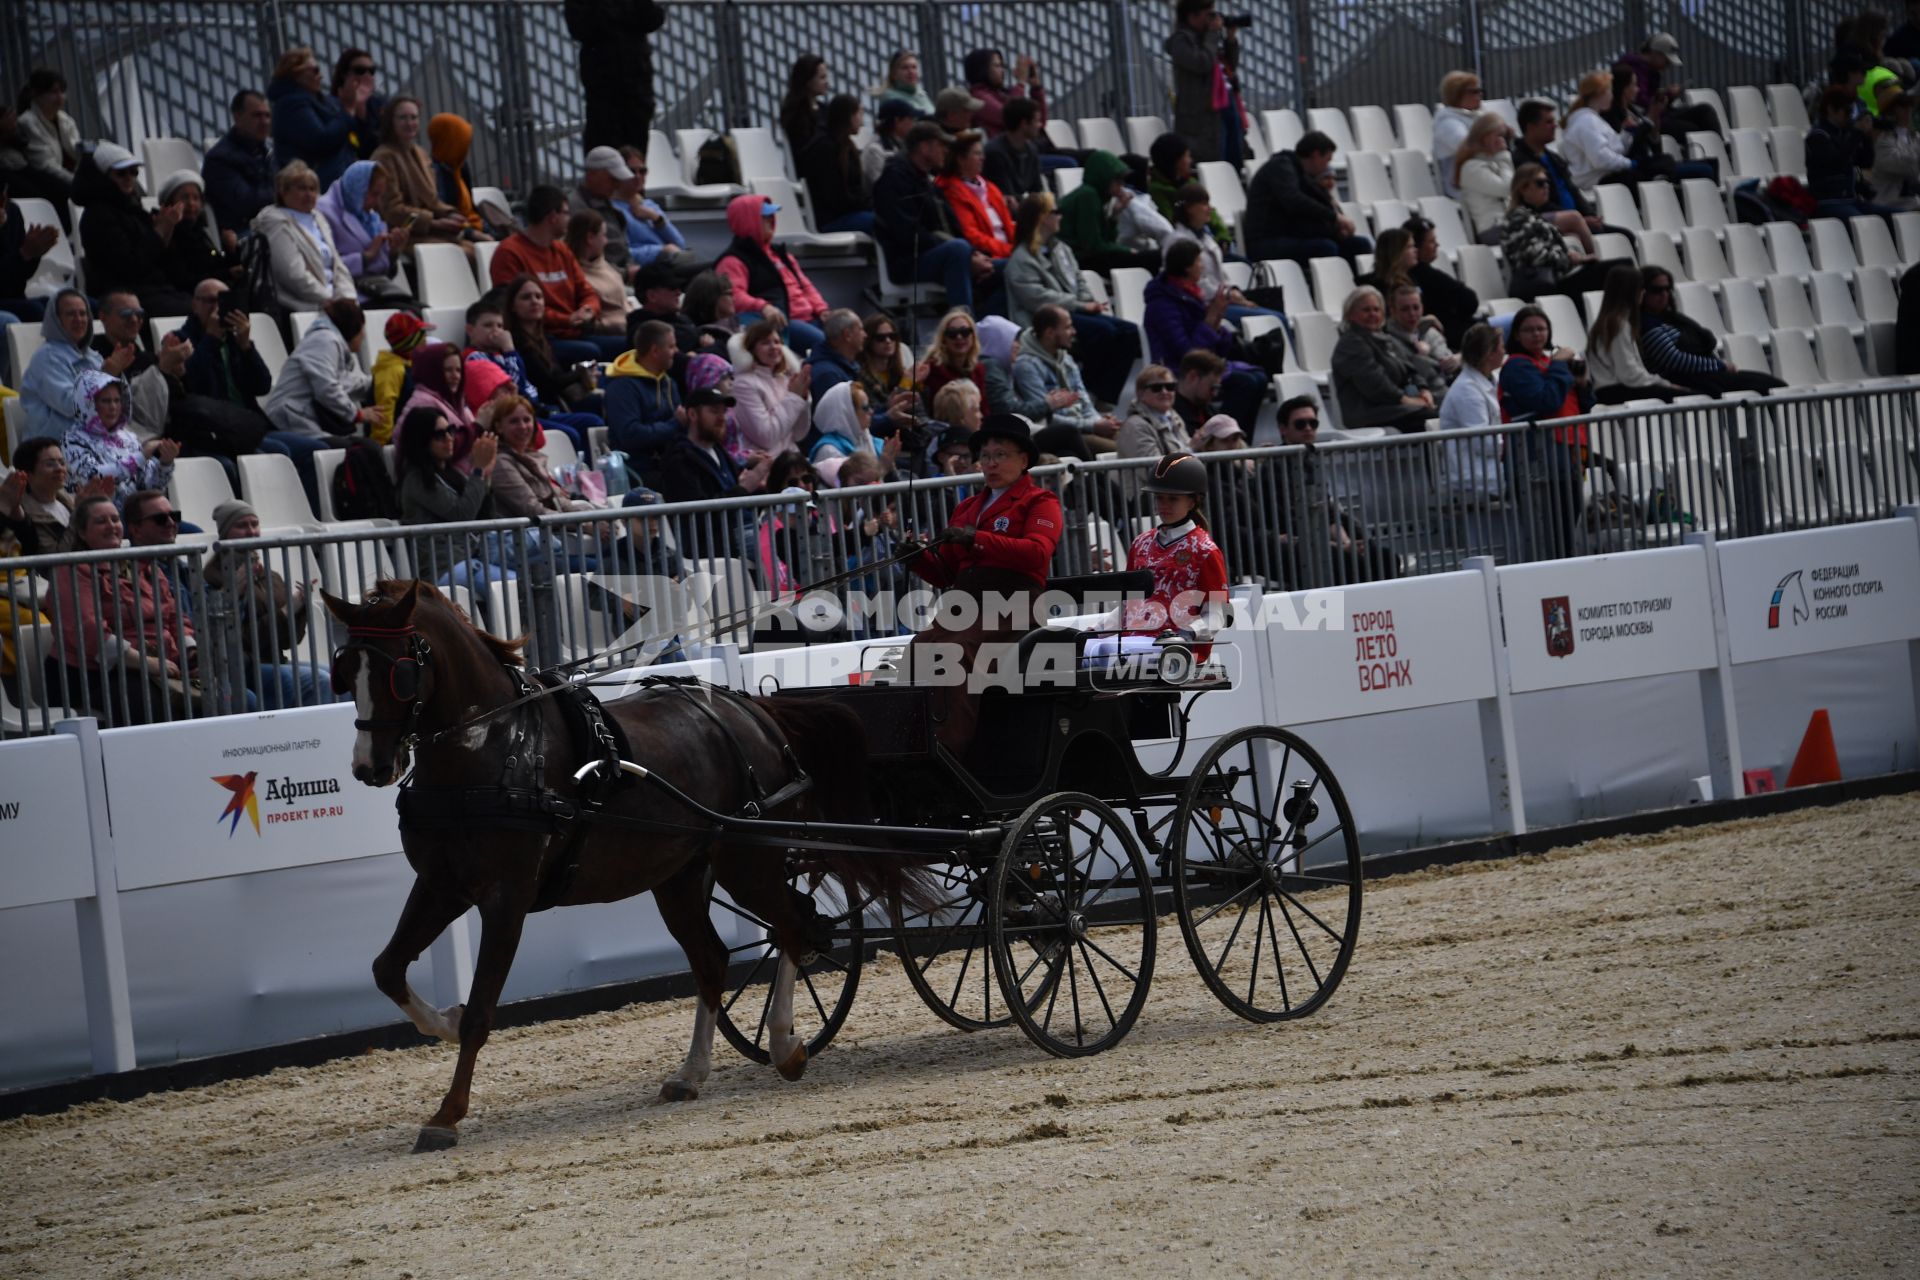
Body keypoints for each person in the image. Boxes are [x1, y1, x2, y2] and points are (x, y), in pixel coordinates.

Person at [901, 413, 1063, 753]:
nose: (991, 463)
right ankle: (911, 740)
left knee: (955, 652)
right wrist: (917, 558)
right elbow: (946, 573)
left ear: (1024, 460)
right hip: (965, 605)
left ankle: (950, 748)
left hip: (1012, 606)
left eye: (1000, 454)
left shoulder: (1040, 502)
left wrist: (978, 539)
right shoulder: (967, 507)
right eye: (986, 456)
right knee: (919, 648)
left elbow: (1037, 554)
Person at [48, 494, 198, 726]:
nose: (111, 526)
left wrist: (191, 653)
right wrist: (146, 662)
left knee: (224, 693)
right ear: (82, 532)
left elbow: (174, 616)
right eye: (101, 521)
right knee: (156, 708)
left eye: (115, 519)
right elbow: (89, 631)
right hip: (96, 675)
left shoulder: (144, 565)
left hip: (157, 665)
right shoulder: (72, 570)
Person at [1004, 192, 1139, 406]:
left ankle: (1104, 396)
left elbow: (1079, 279)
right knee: (1104, 333)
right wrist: (1081, 305)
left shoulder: (1061, 249)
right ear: (1041, 218)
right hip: (1045, 319)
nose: (1061, 216)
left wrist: (1088, 302)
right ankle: (1084, 392)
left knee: (1131, 332)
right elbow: (1038, 300)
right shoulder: (1020, 260)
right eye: (1055, 212)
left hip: (1074, 311)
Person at [1142, 239, 1266, 435]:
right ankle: (1218, 437)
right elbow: (1187, 354)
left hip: (1203, 364)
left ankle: (1240, 443)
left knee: (1259, 378)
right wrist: (1210, 320)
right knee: (1245, 383)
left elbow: (1216, 347)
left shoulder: (1189, 295)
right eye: (1199, 262)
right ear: (1187, 267)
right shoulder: (1162, 304)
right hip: (1178, 369)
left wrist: (1217, 319)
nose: (1202, 266)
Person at [263, 298, 377, 509]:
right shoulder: (324, 341)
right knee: (356, 451)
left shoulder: (329, 342)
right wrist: (357, 415)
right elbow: (327, 388)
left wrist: (377, 381)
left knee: (365, 448)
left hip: (305, 419)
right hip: (290, 418)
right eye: (362, 330)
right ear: (353, 327)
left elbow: (343, 381)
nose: (363, 337)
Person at [491, 185, 624, 362]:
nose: (569, 219)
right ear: (553, 216)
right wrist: (567, 319)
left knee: (634, 344)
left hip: (574, 332)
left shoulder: (562, 250)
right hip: (539, 339)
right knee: (590, 352)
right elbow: (514, 307)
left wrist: (588, 311)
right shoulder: (509, 252)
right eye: (566, 213)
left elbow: (586, 291)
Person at [1499, 304, 1590, 555]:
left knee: (1567, 525)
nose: (1537, 334)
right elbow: (1546, 401)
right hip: (1538, 462)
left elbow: (1584, 405)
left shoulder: (1548, 362)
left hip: (1565, 455)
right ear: (1517, 336)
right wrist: (1560, 367)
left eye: (1541, 328)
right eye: (1528, 330)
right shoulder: (1517, 366)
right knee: (1550, 535)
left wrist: (1582, 385)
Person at [872, 122, 990, 310]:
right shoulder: (894, 179)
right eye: (941, 145)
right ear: (925, 147)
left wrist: (974, 254)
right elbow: (910, 236)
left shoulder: (925, 180)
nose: (946, 151)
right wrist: (966, 254)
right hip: (908, 262)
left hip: (934, 253)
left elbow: (953, 226)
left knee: (1004, 268)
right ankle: (965, 327)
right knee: (957, 250)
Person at [1120, 453, 1227, 654]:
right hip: (1133, 646)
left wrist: (1188, 633)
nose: (1164, 505)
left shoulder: (1205, 550)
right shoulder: (1140, 543)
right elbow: (1129, 606)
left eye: (1173, 499)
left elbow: (1217, 614)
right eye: (1159, 498)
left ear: (1193, 501)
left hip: (1177, 652)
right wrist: (1096, 630)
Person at [73, 144, 194, 319]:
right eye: (121, 173)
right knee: (193, 311)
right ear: (104, 176)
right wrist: (160, 231)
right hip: (126, 294)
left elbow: (164, 262)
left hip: (155, 290)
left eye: (134, 172)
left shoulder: (133, 208)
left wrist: (168, 230)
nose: (129, 178)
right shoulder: (97, 216)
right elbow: (129, 267)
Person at [1638, 266, 1786, 395]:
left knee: (1774, 385)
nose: (1664, 294)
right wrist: (1719, 366)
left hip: (1705, 374)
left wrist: (1717, 365)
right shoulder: (1647, 325)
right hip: (1688, 378)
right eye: (1656, 290)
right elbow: (1675, 360)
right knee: (1766, 386)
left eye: (1667, 289)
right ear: (1643, 293)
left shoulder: (1673, 319)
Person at [714, 193, 828, 358]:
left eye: (771, 216)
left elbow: (805, 285)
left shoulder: (780, 254)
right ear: (748, 220)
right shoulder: (733, 261)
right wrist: (764, 307)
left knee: (849, 330)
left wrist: (822, 309)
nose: (771, 220)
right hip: (786, 324)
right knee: (830, 346)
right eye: (764, 217)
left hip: (812, 318)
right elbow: (734, 296)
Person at [173, 279, 275, 463]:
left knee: (309, 448)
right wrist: (211, 339)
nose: (217, 307)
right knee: (276, 454)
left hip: (246, 426)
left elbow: (263, 386)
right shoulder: (180, 341)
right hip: (213, 430)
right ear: (195, 304)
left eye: (224, 301)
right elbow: (192, 385)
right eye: (211, 301)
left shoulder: (235, 341)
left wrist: (246, 348)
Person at [1501, 164, 1627, 300]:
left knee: (1622, 269)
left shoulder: (1530, 215)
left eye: (1547, 182)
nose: (1546, 187)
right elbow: (1537, 257)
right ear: (1523, 189)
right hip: (1547, 284)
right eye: (1540, 183)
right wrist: (1572, 258)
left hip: (1558, 277)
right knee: (1621, 270)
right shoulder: (1518, 219)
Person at [1243, 132, 1371, 265]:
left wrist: (1336, 230)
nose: (1327, 166)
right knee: (1325, 248)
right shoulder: (1280, 167)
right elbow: (1295, 201)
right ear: (1315, 155)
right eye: (1327, 160)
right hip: (1266, 241)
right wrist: (1335, 217)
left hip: (1292, 235)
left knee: (1359, 245)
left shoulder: (1301, 173)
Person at [369, 96, 476, 253]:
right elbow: (392, 212)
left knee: (478, 253)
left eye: (414, 117)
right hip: (403, 235)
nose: (409, 123)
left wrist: (451, 214)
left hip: (430, 231)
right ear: (391, 122)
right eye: (403, 118)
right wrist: (433, 222)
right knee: (466, 255)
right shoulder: (384, 158)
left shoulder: (421, 153)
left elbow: (432, 200)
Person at [1015, 303, 1120, 458]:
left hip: (1083, 425)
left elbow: (1084, 401)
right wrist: (1093, 425)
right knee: (1121, 450)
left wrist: (1102, 422)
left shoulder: (1067, 359)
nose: (1073, 332)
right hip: (1066, 433)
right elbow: (1044, 416)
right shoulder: (1026, 366)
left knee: (1132, 439)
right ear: (1050, 332)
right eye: (1068, 327)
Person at [62, 369, 177, 508]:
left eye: (117, 400)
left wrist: (165, 463)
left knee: (186, 526)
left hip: (138, 515)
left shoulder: (129, 437)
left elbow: (150, 486)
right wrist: (141, 456)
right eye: (106, 401)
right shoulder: (72, 440)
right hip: (101, 517)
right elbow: (93, 477)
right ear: (88, 403)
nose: (113, 407)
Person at [1512, 99, 1622, 240]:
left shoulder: (1554, 158)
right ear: (1531, 127)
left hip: (1579, 220)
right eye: (1548, 122)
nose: (1555, 126)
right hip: (1557, 225)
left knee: (1625, 236)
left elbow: (1572, 190)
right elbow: (1539, 203)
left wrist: (1590, 215)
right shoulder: (1521, 161)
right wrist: (1580, 220)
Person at [252, 160, 355, 308]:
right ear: (284, 191)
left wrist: (347, 296)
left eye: (313, 189)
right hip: (301, 304)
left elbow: (338, 266)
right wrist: (330, 300)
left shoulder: (319, 219)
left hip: (333, 301)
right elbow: (293, 274)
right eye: (302, 188)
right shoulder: (275, 221)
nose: (308, 194)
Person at [1331, 285, 1434, 433]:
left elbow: (1409, 371)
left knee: (1441, 413)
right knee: (1432, 419)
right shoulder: (1351, 344)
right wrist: (1409, 401)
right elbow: (1376, 386)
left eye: (1376, 309)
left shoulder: (1384, 339)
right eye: (1366, 310)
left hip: (1395, 406)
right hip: (1370, 413)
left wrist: (1423, 390)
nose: (1372, 314)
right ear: (1350, 314)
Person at [566, 0, 665, 152]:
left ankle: (634, 173)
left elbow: (652, 19)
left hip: (635, 79)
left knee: (636, 141)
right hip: (604, 81)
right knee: (605, 142)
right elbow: (580, 27)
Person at [502, 271, 602, 420]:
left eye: (538, 296)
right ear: (513, 306)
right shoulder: (516, 341)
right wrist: (581, 373)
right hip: (540, 409)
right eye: (526, 297)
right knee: (591, 419)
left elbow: (557, 375)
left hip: (557, 401)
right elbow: (548, 384)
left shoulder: (540, 338)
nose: (534, 301)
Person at [1585, 265, 1687, 403]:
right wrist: (1664, 383)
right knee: (1687, 396)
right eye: (1640, 288)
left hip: (1616, 389)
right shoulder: (1617, 324)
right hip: (1614, 391)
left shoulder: (1616, 321)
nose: (1643, 292)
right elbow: (1628, 374)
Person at [1435, 323, 1508, 513]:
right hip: (1475, 478)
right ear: (1488, 354)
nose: (1504, 351)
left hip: (1492, 471)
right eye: (1501, 347)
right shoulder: (1467, 390)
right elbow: (1484, 443)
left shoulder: (1491, 379)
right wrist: (1517, 442)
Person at [315, 159, 411, 302]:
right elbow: (323, 266)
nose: (377, 202)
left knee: (421, 315)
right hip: (347, 296)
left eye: (380, 195)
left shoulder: (371, 217)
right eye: (373, 194)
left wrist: (392, 252)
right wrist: (365, 257)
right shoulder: (323, 213)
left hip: (378, 291)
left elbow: (385, 271)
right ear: (358, 188)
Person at [487, 396, 596, 519]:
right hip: (524, 534)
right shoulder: (501, 464)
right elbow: (533, 511)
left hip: (550, 529)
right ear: (499, 427)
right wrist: (584, 525)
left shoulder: (532, 456)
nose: (522, 426)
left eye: (527, 420)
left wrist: (590, 518)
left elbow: (556, 500)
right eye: (514, 421)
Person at [1056, 149, 1161, 274]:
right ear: (1104, 178)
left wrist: (1115, 215)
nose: (1121, 185)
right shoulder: (1088, 196)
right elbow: (1093, 246)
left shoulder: (1098, 196)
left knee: (1151, 258)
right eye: (1117, 180)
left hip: (1088, 257)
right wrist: (1127, 251)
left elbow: (1107, 241)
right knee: (1154, 258)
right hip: (1078, 259)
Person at [19, 289, 104, 441]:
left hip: (92, 443)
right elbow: (71, 406)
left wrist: (116, 376)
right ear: (56, 320)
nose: (79, 319)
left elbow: (120, 407)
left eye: (83, 313)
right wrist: (106, 379)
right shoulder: (47, 357)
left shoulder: (94, 357)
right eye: (71, 314)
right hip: (53, 450)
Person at [267, 47, 356, 189]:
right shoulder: (292, 104)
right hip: (315, 185)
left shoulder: (318, 100)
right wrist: (347, 111)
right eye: (315, 70)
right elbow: (320, 140)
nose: (320, 76)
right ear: (296, 74)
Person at [397, 404, 497, 527]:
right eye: (439, 435)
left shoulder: (453, 474)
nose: (449, 438)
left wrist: (485, 476)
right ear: (422, 441)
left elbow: (485, 516)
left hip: (466, 545)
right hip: (439, 546)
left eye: (450, 430)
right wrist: (478, 471)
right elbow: (462, 515)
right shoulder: (416, 480)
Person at [603, 318, 680, 477]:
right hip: (638, 471)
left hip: (671, 463)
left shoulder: (668, 382)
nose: (676, 351)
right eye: (671, 346)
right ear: (655, 351)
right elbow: (631, 435)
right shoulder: (622, 387)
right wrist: (675, 425)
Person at [1165, 0, 1236, 164]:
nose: (1213, 19)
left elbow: (1228, 68)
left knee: (1231, 162)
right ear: (1192, 17)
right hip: (1198, 120)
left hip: (1220, 112)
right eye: (1209, 15)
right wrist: (1212, 35)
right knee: (1211, 164)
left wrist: (1230, 39)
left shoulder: (1206, 39)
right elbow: (1202, 63)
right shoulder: (1181, 41)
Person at [730, 318, 812, 458]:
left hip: (791, 460)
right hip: (766, 466)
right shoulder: (743, 384)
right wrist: (794, 397)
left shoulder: (784, 380)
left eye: (777, 342)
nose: (774, 347)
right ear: (751, 349)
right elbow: (766, 436)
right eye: (765, 343)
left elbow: (799, 434)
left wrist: (802, 397)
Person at [1616, 31, 1719, 141]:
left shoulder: (1652, 70)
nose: (1668, 65)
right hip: (1647, 117)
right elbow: (1641, 101)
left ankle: (1721, 147)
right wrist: (1667, 94)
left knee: (1704, 111)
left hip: (1661, 113)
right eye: (1666, 61)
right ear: (1656, 54)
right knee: (1692, 129)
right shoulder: (1632, 69)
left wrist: (1667, 96)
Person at [203, 89, 276, 240]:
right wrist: (283, 194)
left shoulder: (268, 153)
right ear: (237, 117)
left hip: (272, 223)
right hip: (243, 233)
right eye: (257, 115)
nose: (264, 122)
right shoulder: (220, 159)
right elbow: (245, 203)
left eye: (267, 116)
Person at [798, 94, 875, 235]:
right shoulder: (824, 148)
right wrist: (866, 205)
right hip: (832, 219)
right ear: (849, 116)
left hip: (849, 212)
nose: (862, 122)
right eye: (859, 114)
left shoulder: (846, 146)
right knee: (882, 223)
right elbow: (835, 197)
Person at [398, 341, 479, 472]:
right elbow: (438, 452)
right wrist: (478, 427)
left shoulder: (454, 402)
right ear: (432, 371)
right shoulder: (422, 404)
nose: (456, 376)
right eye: (448, 370)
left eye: (459, 370)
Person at [937, 130, 1018, 261]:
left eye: (982, 153)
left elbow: (1008, 225)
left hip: (1008, 253)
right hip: (989, 259)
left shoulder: (990, 188)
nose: (983, 158)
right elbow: (972, 236)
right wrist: (1010, 251)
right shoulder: (952, 191)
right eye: (977, 154)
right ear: (961, 159)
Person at [1807, 86, 1887, 218]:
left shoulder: (1845, 134)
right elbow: (1835, 163)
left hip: (1851, 200)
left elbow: (1866, 162)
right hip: (1829, 202)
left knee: (1896, 215)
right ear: (1831, 109)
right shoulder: (1818, 136)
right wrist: (1856, 134)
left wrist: (1866, 136)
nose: (1850, 116)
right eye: (1847, 111)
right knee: (1862, 222)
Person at [153, 171, 233, 299]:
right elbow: (183, 279)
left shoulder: (199, 231)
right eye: (185, 198)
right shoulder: (170, 233)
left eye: (196, 198)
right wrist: (227, 273)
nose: (191, 203)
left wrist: (232, 250)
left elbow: (215, 264)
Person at [1404, 215, 1481, 347]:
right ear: (1417, 248)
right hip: (1453, 338)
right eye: (1431, 241)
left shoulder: (1425, 273)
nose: (1437, 245)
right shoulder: (1426, 274)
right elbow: (1470, 301)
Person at [1563, 70, 1643, 191]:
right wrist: (1629, 164)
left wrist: (1626, 133)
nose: (1612, 95)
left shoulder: (1593, 119)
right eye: (1610, 91)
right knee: (1649, 173)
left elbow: (1615, 150)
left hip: (1603, 176)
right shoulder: (1587, 122)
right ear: (1601, 93)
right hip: (1596, 180)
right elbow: (1601, 159)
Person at [810, 381, 900, 486]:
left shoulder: (870, 441)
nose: (871, 411)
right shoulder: (828, 450)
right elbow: (849, 494)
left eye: (870, 406)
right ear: (848, 412)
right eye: (865, 407)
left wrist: (890, 466)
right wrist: (883, 467)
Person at [13, 68, 79, 207]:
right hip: (49, 188)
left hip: (69, 180)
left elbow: (77, 151)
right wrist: (80, 183)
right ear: (36, 95)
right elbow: (46, 165)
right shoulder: (28, 123)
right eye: (54, 92)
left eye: (62, 91)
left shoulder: (66, 120)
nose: (60, 97)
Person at [427, 112, 498, 239]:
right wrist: (472, 233)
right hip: (461, 231)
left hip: (475, 226)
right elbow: (444, 213)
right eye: (461, 141)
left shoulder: (459, 168)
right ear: (449, 142)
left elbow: (471, 210)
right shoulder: (435, 173)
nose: (465, 147)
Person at [567, 208, 632, 337]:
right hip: (611, 329)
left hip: (627, 321)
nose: (606, 241)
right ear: (590, 238)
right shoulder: (576, 274)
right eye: (603, 235)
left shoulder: (602, 263)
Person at [1382, 283, 1456, 393]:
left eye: (1416, 307)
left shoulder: (1430, 332)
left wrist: (1457, 360)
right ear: (1393, 311)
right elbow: (1406, 382)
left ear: (1422, 307)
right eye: (1405, 309)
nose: (1412, 313)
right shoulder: (1387, 341)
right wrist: (1422, 358)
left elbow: (1448, 364)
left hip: (1447, 389)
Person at [1455, 113, 1518, 241]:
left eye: (1505, 136)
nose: (1503, 140)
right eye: (1499, 135)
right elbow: (1506, 188)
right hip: (1492, 228)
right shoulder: (1471, 168)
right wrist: (1503, 155)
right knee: (1565, 221)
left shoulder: (1496, 162)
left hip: (1511, 223)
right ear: (1484, 137)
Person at [371, 309, 428, 439]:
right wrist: (383, 446)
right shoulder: (392, 371)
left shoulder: (407, 363)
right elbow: (384, 413)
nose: (425, 339)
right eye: (421, 335)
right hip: (393, 442)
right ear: (411, 343)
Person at [1117, 365, 1190, 459]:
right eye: (1156, 388)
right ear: (1140, 393)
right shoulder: (1136, 426)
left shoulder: (1175, 417)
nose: (1164, 392)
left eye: (1170, 387)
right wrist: (1192, 448)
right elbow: (1154, 469)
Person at [1432, 71, 1486, 198]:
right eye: (1474, 91)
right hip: (1462, 183)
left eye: (1480, 90)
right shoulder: (1447, 122)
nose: (1480, 95)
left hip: (1483, 175)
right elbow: (1467, 146)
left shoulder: (1477, 116)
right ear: (1457, 95)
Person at [919, 309, 988, 404]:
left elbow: (983, 407)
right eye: (952, 333)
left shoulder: (978, 369)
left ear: (973, 336)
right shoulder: (930, 369)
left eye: (965, 332)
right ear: (943, 339)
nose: (959, 337)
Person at [1869, 90, 1919, 210]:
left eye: (1910, 106)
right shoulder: (1884, 138)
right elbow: (1897, 165)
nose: (1908, 110)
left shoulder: (1915, 136)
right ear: (1892, 110)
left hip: (1911, 195)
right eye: (1903, 106)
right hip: (1888, 198)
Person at [862, 97, 919, 193]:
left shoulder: (899, 146)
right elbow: (884, 189)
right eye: (911, 119)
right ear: (897, 121)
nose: (914, 124)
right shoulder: (875, 150)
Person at [682, 268, 740, 353]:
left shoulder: (734, 325)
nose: (734, 299)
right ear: (712, 298)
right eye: (729, 294)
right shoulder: (695, 337)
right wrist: (711, 349)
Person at [781, 54, 829, 152]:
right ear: (808, 81)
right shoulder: (796, 114)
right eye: (822, 77)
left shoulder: (824, 109)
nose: (827, 82)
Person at [879, 50, 935, 117]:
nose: (911, 72)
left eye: (914, 67)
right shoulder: (890, 97)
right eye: (905, 68)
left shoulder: (921, 94)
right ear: (894, 74)